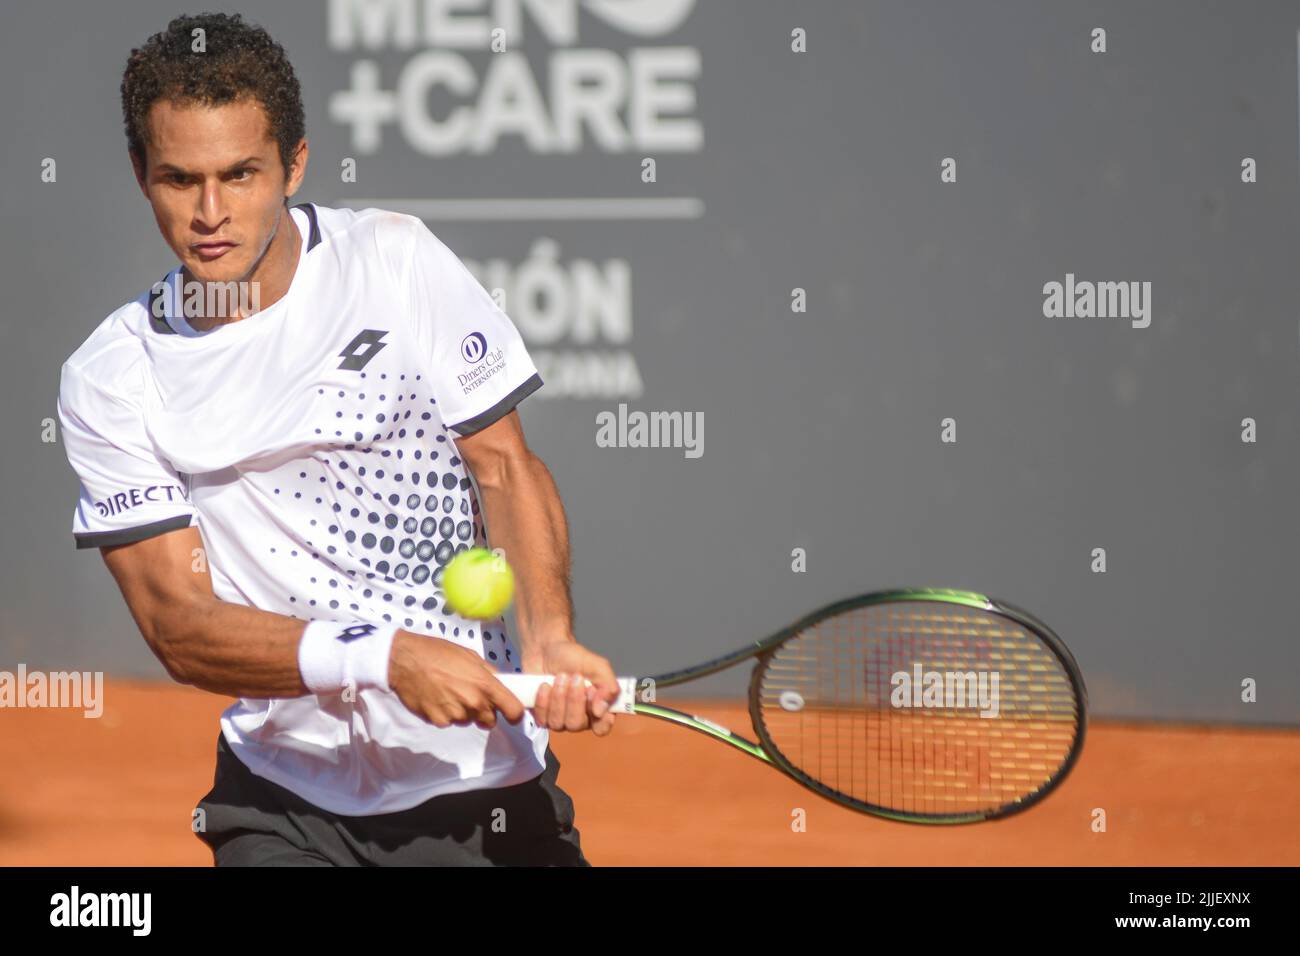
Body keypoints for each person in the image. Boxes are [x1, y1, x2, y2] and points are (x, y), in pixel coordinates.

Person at [57, 12, 619, 866]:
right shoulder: (111, 374)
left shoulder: (394, 260)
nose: (212, 214)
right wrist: (381, 656)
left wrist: (550, 637)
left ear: (296, 164)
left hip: (476, 790)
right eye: (181, 179)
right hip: (282, 798)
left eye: (241, 174)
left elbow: (503, 464)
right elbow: (179, 623)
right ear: (141, 174)